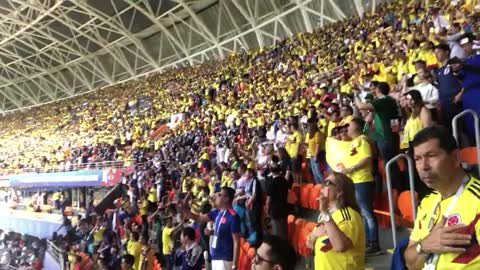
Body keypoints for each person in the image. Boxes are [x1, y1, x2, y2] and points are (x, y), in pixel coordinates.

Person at [404, 126, 480, 269]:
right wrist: (424, 245)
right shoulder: (427, 202)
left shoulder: (477, 201)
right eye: (418, 159)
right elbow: (411, 263)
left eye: (431, 156)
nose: (423, 166)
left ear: (455, 158)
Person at [306, 172, 365, 270]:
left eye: (327, 183)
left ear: (339, 192)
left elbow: (340, 246)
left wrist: (324, 213)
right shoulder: (325, 215)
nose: (322, 186)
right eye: (323, 182)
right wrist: (314, 234)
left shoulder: (349, 215)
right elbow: (310, 245)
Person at [343, 118, 380, 255]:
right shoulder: (352, 142)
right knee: (363, 214)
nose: (348, 127)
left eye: (350, 125)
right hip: (355, 181)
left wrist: (351, 169)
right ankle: (368, 241)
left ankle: (374, 243)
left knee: (368, 213)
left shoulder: (362, 140)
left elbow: (367, 158)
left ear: (357, 127)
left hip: (363, 181)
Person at [355, 81, 401, 191]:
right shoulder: (391, 101)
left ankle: (394, 191)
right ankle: (397, 190)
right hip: (391, 136)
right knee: (392, 164)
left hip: (384, 137)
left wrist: (355, 96)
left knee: (389, 165)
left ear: (378, 90)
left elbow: (361, 106)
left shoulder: (382, 101)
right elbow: (370, 118)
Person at [180, 187, 240, 270]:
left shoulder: (233, 216)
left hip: (225, 259)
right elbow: (197, 218)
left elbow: (236, 241)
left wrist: (234, 265)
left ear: (226, 198)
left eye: (219, 195)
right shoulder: (217, 212)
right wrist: (184, 209)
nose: (216, 196)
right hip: (214, 257)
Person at [433, 43, 463, 133]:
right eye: (435, 53)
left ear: (446, 52)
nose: (436, 54)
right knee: (451, 130)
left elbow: (466, 80)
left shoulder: (454, 63)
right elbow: (441, 86)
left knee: (462, 130)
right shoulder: (438, 70)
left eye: (438, 52)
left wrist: (460, 94)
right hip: (444, 105)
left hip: (456, 102)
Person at [265, 157, 289, 240]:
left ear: (271, 171)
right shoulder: (284, 180)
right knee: (284, 229)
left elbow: (268, 199)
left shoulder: (271, 183)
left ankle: (280, 249)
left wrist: (267, 210)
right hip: (284, 207)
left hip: (275, 210)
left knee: (277, 232)